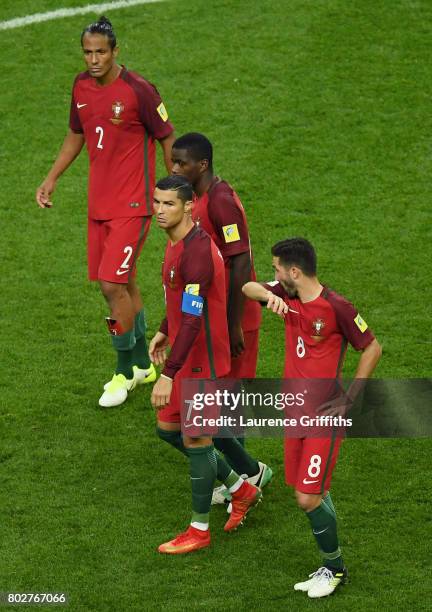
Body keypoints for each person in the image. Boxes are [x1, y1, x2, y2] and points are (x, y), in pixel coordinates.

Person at [35, 16, 175, 407]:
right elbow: (76, 133)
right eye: (88, 52)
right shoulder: (80, 86)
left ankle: (124, 371)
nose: (94, 59)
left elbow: (167, 138)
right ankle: (145, 366)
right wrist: (52, 177)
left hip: (133, 204)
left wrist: (175, 194)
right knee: (122, 283)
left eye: (101, 52)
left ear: (115, 51)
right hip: (99, 205)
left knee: (111, 285)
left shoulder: (139, 91)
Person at [243, 237, 382, 598]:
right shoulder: (286, 294)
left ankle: (334, 569)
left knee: (307, 497)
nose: (273, 273)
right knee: (312, 490)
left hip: (324, 416)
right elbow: (247, 286)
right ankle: (330, 565)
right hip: (294, 412)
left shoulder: (337, 307)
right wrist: (266, 293)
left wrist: (351, 398)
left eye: (276, 268)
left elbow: (372, 347)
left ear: (294, 271)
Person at [149, 175, 262, 554]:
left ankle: (199, 530)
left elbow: (194, 317)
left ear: (188, 207)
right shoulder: (176, 242)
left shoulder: (197, 251)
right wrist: (165, 328)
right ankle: (240, 487)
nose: (160, 210)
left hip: (203, 363)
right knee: (168, 428)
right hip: (186, 353)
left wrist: (167, 374)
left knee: (195, 438)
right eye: (156, 202)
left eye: (169, 204)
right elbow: (179, 299)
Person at [170, 133, 272, 504]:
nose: (175, 168)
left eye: (181, 163)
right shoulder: (199, 198)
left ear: (203, 165)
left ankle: (247, 477)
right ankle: (243, 476)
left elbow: (241, 261)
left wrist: (233, 324)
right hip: (217, 316)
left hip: (234, 319)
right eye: (172, 161)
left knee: (224, 402)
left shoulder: (221, 203)